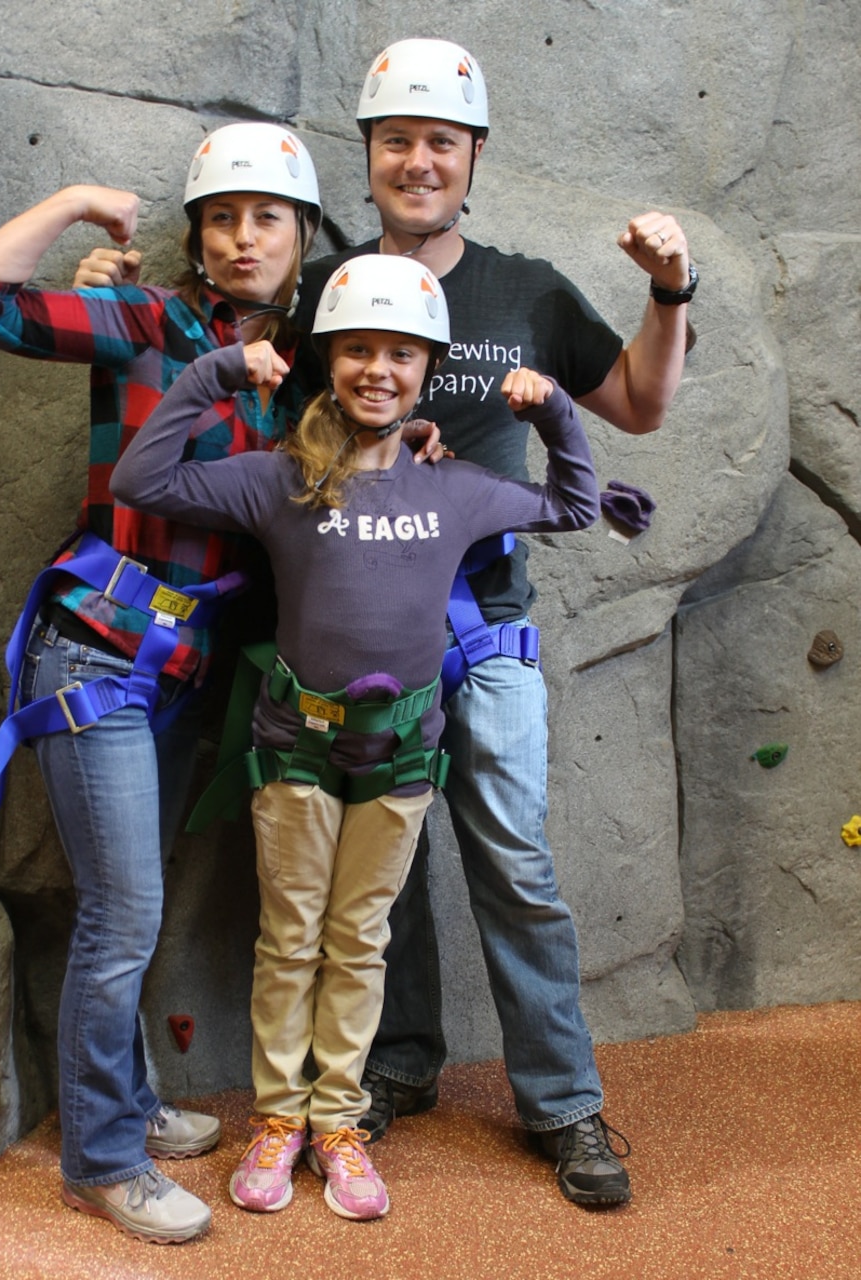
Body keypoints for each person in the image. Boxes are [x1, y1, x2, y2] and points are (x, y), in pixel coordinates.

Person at [288, 38, 697, 1208]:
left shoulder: (520, 290)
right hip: (355, 623)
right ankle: (398, 1062)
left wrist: (666, 291)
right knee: (382, 865)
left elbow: (641, 404)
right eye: (395, 142)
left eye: (440, 144)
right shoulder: (323, 290)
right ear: (365, 156)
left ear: (472, 159)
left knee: (511, 855)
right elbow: (277, 438)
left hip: (486, 623)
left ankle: (561, 1099)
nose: (418, 163)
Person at [109, 253, 600, 1221]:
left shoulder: (452, 485)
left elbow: (576, 505)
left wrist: (550, 413)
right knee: (287, 940)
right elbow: (140, 475)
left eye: (401, 354)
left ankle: (337, 1118)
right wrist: (213, 372)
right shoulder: (278, 480)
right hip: (294, 752)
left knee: (358, 940)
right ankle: (278, 1116)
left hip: (401, 762)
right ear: (329, 359)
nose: (379, 369)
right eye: (359, 350)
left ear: (426, 368)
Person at [0, 122, 324, 1245]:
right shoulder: (148, 320)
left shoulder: (305, 370)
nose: (243, 237)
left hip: (184, 668)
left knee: (129, 903)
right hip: (95, 648)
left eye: (267, 218)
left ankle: (127, 1101)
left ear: (303, 237)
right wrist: (69, 204)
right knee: (121, 914)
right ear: (197, 238)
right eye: (222, 217)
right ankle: (103, 1156)